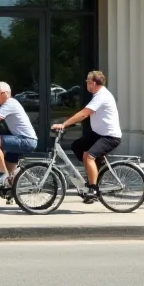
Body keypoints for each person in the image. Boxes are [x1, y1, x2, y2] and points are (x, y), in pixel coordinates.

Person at [51, 70, 121, 203]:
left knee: (88, 156)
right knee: (77, 146)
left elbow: (84, 113)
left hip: (110, 136)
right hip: (99, 134)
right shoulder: (98, 95)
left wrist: (64, 124)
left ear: (93, 83)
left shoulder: (102, 96)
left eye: (88, 82)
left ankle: (93, 189)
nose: (87, 85)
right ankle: (95, 170)